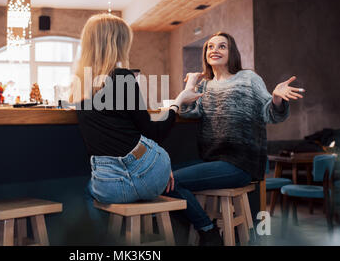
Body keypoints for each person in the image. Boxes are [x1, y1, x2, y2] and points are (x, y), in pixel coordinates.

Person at [69, 14, 203, 243]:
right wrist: (178, 101)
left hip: (109, 188)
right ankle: (206, 228)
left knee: (87, 192)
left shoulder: (78, 90)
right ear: (118, 44)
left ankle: (101, 244)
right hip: (151, 178)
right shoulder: (123, 78)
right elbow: (155, 132)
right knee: (154, 160)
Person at [168, 31, 305, 245]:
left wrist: (277, 98)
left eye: (222, 46)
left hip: (241, 164)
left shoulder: (248, 79)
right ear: (205, 55)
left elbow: (269, 113)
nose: (215, 50)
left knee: (170, 181)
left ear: (232, 53)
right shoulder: (205, 86)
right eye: (210, 47)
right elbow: (187, 112)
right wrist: (190, 85)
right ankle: (207, 228)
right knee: (161, 177)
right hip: (212, 162)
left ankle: (207, 231)